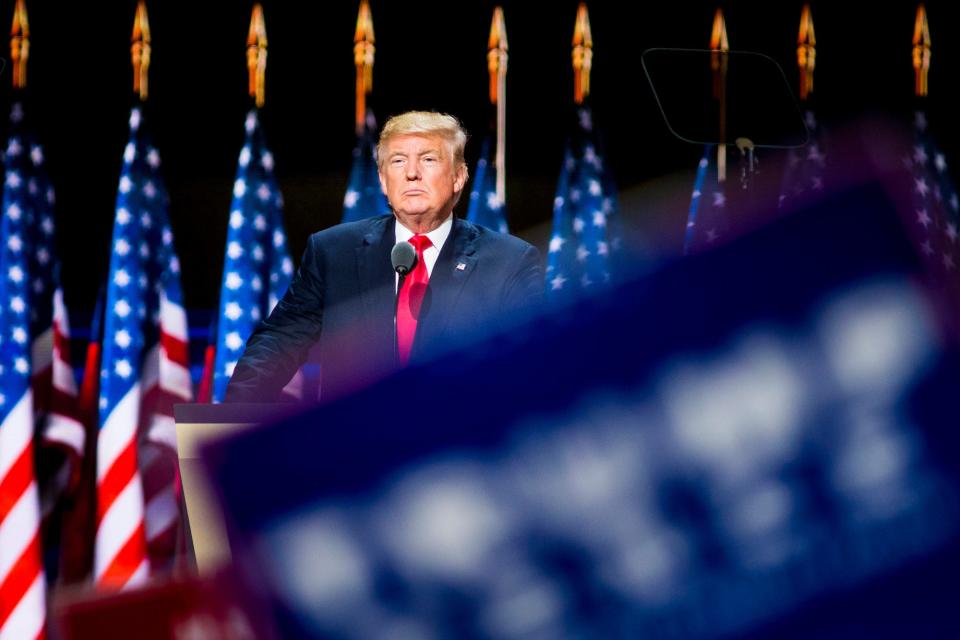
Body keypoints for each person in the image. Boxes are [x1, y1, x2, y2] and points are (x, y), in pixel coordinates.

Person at [225, 111, 543, 402]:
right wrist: (233, 420)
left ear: (458, 177)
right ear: (382, 180)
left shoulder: (508, 262)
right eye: (398, 161)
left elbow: (532, 368)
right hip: (356, 452)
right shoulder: (334, 253)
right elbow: (277, 344)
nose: (412, 173)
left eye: (429, 159)